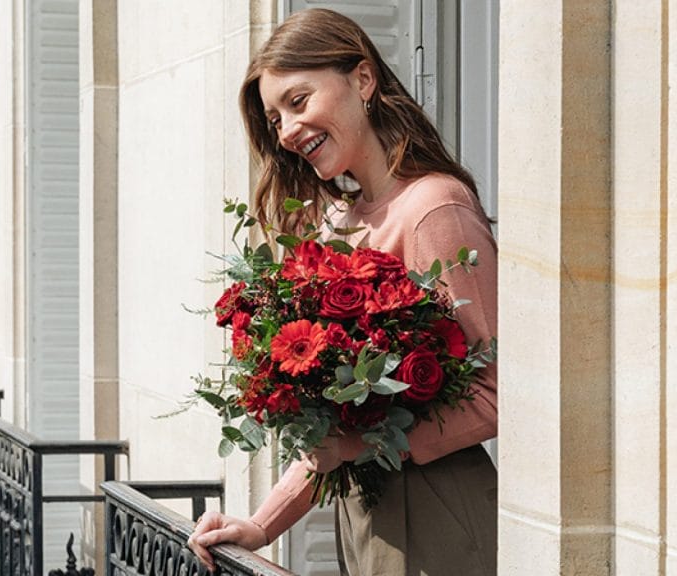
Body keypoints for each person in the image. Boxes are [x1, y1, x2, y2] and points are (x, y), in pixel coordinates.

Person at [186, 9, 498, 576]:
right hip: (364, 510)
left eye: (298, 102)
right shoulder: (337, 223)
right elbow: (335, 435)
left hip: (440, 511)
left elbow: (495, 396)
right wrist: (261, 524)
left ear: (362, 79)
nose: (285, 131)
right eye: (274, 117)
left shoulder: (433, 210)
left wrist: (356, 449)